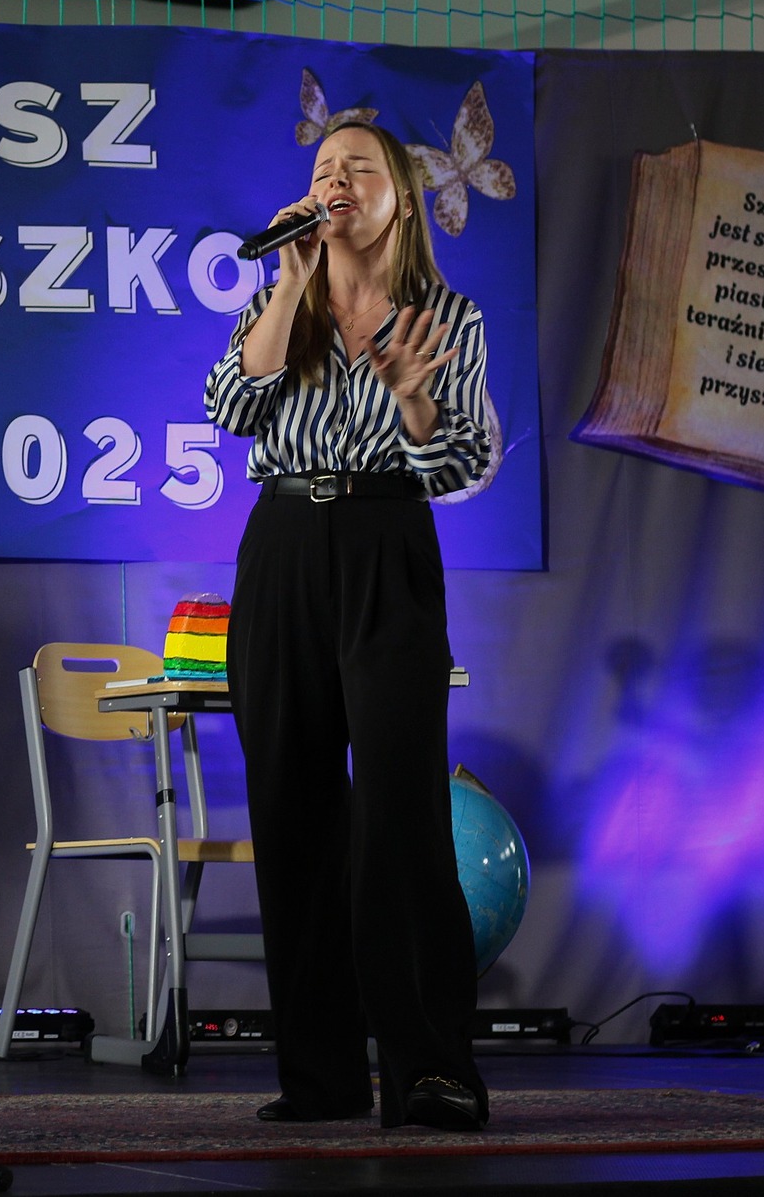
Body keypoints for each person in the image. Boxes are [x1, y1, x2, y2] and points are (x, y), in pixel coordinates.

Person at [203, 121, 494, 1131]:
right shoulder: (277, 301)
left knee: (402, 813)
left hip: (386, 542)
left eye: (356, 168)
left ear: (400, 196)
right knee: (291, 811)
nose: (334, 181)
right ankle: (319, 1077)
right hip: (282, 543)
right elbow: (230, 407)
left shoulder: (446, 316)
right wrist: (290, 284)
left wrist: (413, 406)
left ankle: (431, 1069)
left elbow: (459, 464)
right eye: (322, 169)